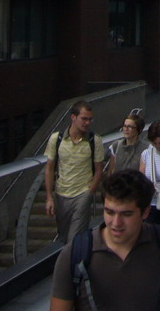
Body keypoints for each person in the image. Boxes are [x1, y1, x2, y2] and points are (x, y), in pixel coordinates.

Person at [50, 169, 160, 311]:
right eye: (109, 212)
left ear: (145, 212)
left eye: (126, 214)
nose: (116, 222)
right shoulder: (75, 254)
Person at [45, 100, 105, 243]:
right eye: (84, 119)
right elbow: (49, 168)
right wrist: (49, 197)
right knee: (63, 236)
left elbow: (99, 169)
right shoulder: (56, 139)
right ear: (73, 117)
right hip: (61, 193)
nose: (87, 123)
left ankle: (75, 263)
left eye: (90, 119)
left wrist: (90, 192)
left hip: (82, 193)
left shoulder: (94, 140)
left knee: (75, 237)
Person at [107, 109, 148, 174]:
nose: (126, 129)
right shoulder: (116, 145)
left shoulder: (146, 148)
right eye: (124, 126)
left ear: (138, 129)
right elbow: (110, 171)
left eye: (130, 127)